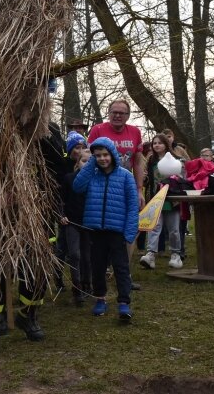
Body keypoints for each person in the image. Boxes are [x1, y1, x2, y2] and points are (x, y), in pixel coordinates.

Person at [72, 137, 139, 321]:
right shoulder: (91, 174)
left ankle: (124, 302)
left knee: (121, 268)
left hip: (117, 231)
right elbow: (77, 187)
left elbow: (133, 206)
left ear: (112, 155)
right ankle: (100, 297)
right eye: (97, 155)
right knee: (98, 267)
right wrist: (91, 162)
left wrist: (130, 231)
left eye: (105, 154)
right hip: (95, 230)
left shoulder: (125, 176)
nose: (102, 158)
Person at [87, 99, 145, 208]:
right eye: (114, 112)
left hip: (125, 183)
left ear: (128, 116)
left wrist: (139, 190)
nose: (117, 115)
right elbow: (89, 159)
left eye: (122, 113)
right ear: (108, 113)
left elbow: (137, 164)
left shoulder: (135, 132)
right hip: (101, 184)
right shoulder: (97, 130)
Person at [139, 134, 184, 271]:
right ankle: (151, 254)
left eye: (160, 143)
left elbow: (182, 178)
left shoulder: (176, 160)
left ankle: (176, 254)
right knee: (154, 227)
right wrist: (144, 179)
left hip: (172, 199)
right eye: (154, 143)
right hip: (155, 199)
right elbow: (148, 179)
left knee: (174, 229)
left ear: (166, 144)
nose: (156, 145)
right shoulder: (151, 160)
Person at [58, 134, 92, 305]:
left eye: (90, 161)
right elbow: (61, 200)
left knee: (87, 255)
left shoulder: (95, 181)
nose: (86, 164)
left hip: (89, 223)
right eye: (83, 161)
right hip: (71, 222)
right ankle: (76, 287)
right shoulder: (69, 179)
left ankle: (88, 286)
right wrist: (61, 215)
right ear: (78, 163)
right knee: (74, 254)